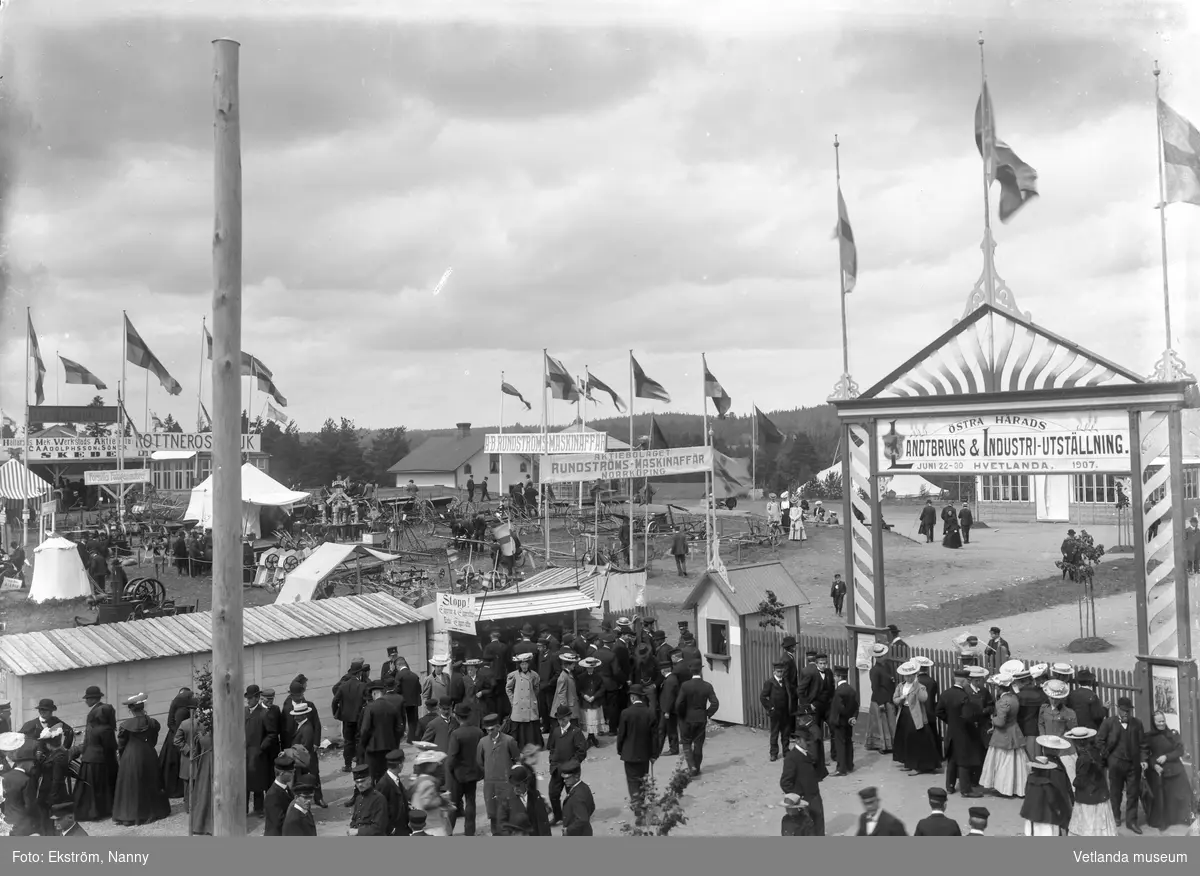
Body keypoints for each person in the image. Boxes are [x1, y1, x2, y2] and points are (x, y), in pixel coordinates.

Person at [112, 693, 171, 826]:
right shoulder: (152, 722)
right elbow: (153, 740)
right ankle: (153, 811)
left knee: (131, 785)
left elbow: (121, 744)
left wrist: (122, 756)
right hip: (148, 754)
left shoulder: (125, 725)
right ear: (143, 707)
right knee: (150, 782)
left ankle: (130, 814)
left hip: (130, 756)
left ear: (130, 709)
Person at [1097, 696, 1148, 833]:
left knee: (1133, 793)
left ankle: (1131, 821)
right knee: (1115, 792)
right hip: (1116, 764)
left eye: (1128, 711)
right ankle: (1116, 816)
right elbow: (1099, 741)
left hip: (1133, 765)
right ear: (1118, 709)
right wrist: (1107, 757)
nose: (1126, 713)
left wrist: (1143, 759)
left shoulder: (1137, 723)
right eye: (1124, 710)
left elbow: (1143, 744)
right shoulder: (1109, 723)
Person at [936, 668, 984, 797]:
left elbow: (939, 711)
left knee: (952, 759)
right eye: (968, 681)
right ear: (963, 681)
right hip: (963, 732)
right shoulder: (964, 696)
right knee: (964, 760)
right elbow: (968, 716)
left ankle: (950, 786)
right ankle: (966, 790)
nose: (968, 683)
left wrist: (951, 721)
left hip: (951, 731)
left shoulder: (945, 693)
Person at [73, 685, 119, 822]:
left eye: (87, 698)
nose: (86, 701)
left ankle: (94, 811)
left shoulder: (97, 717)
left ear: (93, 699)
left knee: (93, 787)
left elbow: (91, 739)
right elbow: (110, 745)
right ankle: (103, 809)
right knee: (102, 785)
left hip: (93, 757)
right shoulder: (104, 719)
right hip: (100, 757)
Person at [978, 673, 1028, 798]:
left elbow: (1000, 722)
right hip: (1015, 731)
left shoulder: (1002, 702)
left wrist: (992, 719)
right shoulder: (1014, 698)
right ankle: (1017, 787)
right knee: (1017, 762)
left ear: (1000, 688)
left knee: (1003, 762)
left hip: (1003, 734)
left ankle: (1005, 787)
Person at [1145, 710, 1194, 830]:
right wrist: (1154, 765)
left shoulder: (1173, 734)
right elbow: (1146, 755)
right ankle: (1164, 822)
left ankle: (1183, 818)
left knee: (1182, 794)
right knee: (1162, 797)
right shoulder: (1148, 737)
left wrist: (1166, 756)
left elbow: (1180, 751)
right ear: (1154, 722)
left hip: (1175, 768)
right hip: (1159, 770)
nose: (1161, 724)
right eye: (1158, 721)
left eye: (1163, 721)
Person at [1065, 727, 1117, 836]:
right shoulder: (1095, 751)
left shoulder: (1082, 759)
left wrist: (1072, 784)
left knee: (1088, 823)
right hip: (1100, 791)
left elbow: (1081, 779)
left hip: (1088, 795)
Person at [893, 661, 939, 775]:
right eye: (906, 676)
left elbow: (924, 699)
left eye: (911, 676)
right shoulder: (900, 685)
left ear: (915, 675)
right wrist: (901, 699)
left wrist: (917, 686)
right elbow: (895, 699)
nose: (908, 678)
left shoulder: (920, 686)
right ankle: (907, 763)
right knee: (905, 738)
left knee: (915, 740)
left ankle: (916, 766)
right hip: (904, 713)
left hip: (915, 715)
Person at [779, 725, 824, 835]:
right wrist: (797, 799)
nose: (809, 743)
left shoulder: (807, 753)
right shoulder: (792, 757)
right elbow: (785, 783)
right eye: (806, 740)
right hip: (804, 800)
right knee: (807, 828)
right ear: (798, 741)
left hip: (814, 796)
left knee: (818, 824)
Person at [676, 663, 719, 778]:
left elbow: (679, 703)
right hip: (700, 718)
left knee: (686, 742)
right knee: (698, 743)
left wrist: (681, 715)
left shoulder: (685, 686)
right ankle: (697, 767)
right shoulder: (707, 686)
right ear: (700, 671)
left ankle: (691, 766)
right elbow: (715, 703)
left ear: (691, 672)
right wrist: (707, 713)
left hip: (687, 718)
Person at [359, 682, 404, 783]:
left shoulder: (370, 708)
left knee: (371, 776)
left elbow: (365, 729)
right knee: (386, 776)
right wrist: (394, 742)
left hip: (372, 748)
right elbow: (399, 728)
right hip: (389, 747)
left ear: (374, 694)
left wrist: (364, 744)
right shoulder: (392, 707)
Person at [1038, 680, 1079, 782]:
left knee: (1068, 771)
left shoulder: (1069, 712)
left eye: (1057, 699)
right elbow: (1041, 724)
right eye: (1052, 698)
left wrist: (1062, 740)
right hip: (1048, 745)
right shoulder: (1043, 709)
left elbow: (1072, 730)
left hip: (1064, 748)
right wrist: (1043, 738)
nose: (1054, 701)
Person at [332, 658, 367, 773]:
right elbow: (367, 701)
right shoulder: (362, 686)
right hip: (359, 718)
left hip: (346, 718)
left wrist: (336, 713)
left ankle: (347, 765)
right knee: (359, 740)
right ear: (359, 672)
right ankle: (359, 763)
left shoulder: (343, 686)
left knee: (348, 742)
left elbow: (334, 701)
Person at [1022, 756, 1073, 835]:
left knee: (1032, 832)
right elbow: (1052, 799)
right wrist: (1058, 809)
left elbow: (1026, 792)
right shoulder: (1047, 784)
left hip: (1031, 812)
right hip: (1045, 815)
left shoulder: (1030, 779)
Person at [496, 764, 551, 835]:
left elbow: (543, 824)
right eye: (513, 785)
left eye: (518, 785)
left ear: (526, 783)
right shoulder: (506, 798)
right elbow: (501, 824)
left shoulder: (536, 797)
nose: (515, 789)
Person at [506, 652, 542, 750]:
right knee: (520, 724)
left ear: (529, 664)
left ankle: (532, 745)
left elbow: (536, 688)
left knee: (531, 724)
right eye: (522, 664)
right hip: (519, 703)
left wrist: (533, 697)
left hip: (530, 703)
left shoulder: (534, 675)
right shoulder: (513, 675)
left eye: (526, 664)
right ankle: (520, 746)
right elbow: (508, 688)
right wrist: (513, 700)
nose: (524, 666)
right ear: (519, 665)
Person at [828, 665, 859, 775]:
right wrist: (852, 717)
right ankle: (849, 765)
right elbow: (856, 706)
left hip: (839, 722)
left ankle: (841, 768)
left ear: (839, 677)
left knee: (840, 744)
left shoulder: (839, 691)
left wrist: (834, 720)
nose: (834, 678)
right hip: (849, 722)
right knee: (849, 743)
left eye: (835, 676)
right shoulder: (851, 690)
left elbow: (838, 709)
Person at [865, 643, 896, 754]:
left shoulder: (887, 666)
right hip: (880, 700)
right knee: (881, 723)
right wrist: (880, 702)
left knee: (890, 722)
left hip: (888, 698)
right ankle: (882, 745)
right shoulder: (875, 670)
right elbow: (875, 688)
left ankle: (890, 743)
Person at [761, 661, 792, 762]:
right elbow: (763, 697)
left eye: (781, 671)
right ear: (774, 672)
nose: (780, 673)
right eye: (778, 671)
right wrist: (770, 708)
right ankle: (773, 753)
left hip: (785, 712)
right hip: (775, 713)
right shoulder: (769, 682)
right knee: (774, 733)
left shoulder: (785, 681)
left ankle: (786, 750)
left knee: (786, 733)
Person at [345, 764, 388, 835]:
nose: (360, 785)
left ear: (370, 779)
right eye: (357, 782)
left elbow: (378, 828)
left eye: (362, 781)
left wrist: (357, 832)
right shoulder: (358, 798)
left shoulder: (379, 799)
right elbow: (354, 820)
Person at [558, 759, 594, 836]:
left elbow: (582, 819)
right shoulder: (584, 787)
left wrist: (568, 830)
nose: (564, 780)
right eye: (564, 778)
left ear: (576, 776)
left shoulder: (577, 796)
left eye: (567, 778)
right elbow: (592, 807)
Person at [263, 754, 295, 836]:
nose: (293, 774)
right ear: (281, 773)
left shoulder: (286, 788)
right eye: (291, 772)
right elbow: (278, 821)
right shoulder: (272, 794)